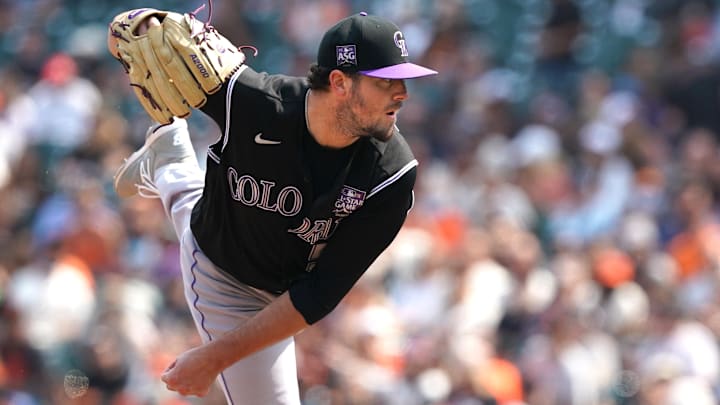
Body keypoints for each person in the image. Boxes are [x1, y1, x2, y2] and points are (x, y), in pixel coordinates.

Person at [111, 11, 437, 404]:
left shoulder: (391, 174)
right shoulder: (255, 102)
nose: (401, 92)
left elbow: (318, 294)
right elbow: (131, 31)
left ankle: (170, 160)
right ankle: (171, 164)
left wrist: (214, 357)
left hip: (286, 286)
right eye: (385, 81)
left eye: (402, 80)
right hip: (226, 275)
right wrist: (147, 23)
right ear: (339, 83)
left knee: (193, 204)